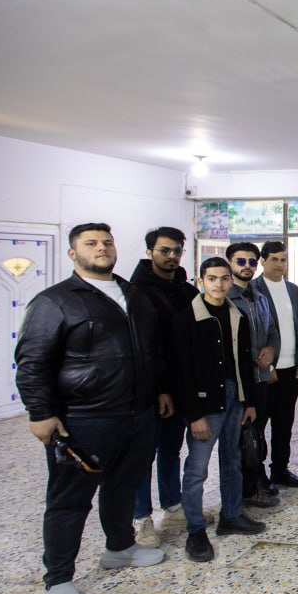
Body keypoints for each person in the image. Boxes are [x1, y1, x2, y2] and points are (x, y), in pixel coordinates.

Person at [15, 223, 168, 594]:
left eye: (107, 242)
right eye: (91, 243)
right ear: (73, 253)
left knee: (123, 485)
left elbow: (151, 351)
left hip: (136, 413)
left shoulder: (133, 294)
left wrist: (160, 391)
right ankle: (59, 578)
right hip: (84, 419)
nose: (102, 248)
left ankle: (120, 547)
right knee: (70, 499)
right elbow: (32, 363)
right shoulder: (55, 302)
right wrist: (41, 413)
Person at [171, 257, 265, 562]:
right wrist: (194, 414)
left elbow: (245, 362)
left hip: (235, 397)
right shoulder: (186, 319)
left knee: (232, 459)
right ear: (201, 282)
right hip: (205, 402)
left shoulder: (237, 314)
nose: (219, 284)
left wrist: (250, 401)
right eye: (212, 278)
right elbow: (181, 371)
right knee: (197, 469)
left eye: (224, 278)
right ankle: (196, 530)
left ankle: (231, 515)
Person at [128, 226, 197, 546]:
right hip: (151, 388)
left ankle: (172, 505)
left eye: (176, 251)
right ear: (150, 252)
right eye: (164, 251)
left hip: (181, 383)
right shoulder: (137, 292)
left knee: (171, 448)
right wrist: (160, 389)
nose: (171, 256)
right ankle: (141, 517)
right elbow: (145, 347)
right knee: (144, 453)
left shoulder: (184, 289)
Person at [250, 241, 298, 489]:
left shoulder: (294, 290)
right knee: (259, 425)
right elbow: (252, 334)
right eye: (274, 259)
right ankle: (257, 474)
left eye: (283, 259)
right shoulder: (253, 290)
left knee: (284, 424)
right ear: (263, 261)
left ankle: (280, 469)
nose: (279, 264)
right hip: (265, 372)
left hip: (291, 369)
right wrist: (269, 368)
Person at [225, 242, 281, 510]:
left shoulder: (259, 297)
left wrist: (270, 351)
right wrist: (255, 355)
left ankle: (254, 484)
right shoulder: (225, 297)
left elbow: (272, 331)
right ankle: (238, 496)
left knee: (254, 434)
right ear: (230, 263)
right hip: (237, 379)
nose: (246, 266)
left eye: (251, 261)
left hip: (260, 377)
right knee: (238, 438)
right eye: (240, 261)